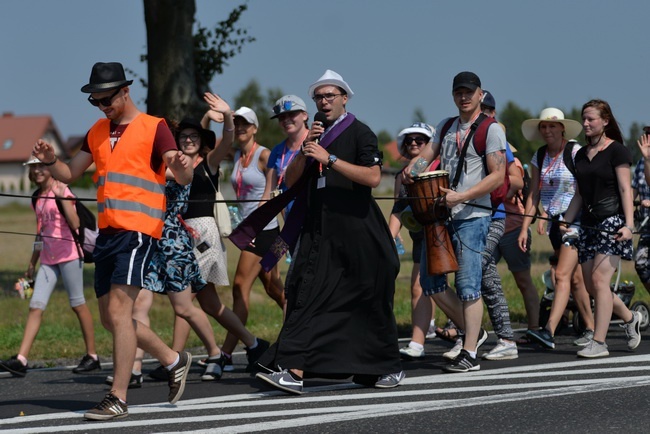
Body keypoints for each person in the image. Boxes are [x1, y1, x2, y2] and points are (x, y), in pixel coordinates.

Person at [30, 62, 194, 421]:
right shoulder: (98, 131)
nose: (102, 106)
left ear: (125, 91)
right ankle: (172, 359)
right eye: (95, 102)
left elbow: (181, 173)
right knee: (110, 317)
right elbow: (71, 173)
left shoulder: (155, 128)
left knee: (122, 312)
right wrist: (52, 160)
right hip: (107, 233)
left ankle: (118, 396)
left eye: (106, 100)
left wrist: (182, 164)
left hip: (138, 231)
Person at [253, 69, 403, 393]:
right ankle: (294, 370)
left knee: (366, 301)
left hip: (357, 230)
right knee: (302, 292)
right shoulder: (315, 136)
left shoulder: (361, 133)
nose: (324, 102)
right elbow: (291, 180)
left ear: (344, 98)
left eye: (329, 96)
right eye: (319, 97)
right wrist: (307, 148)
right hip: (318, 229)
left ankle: (382, 366)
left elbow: (374, 178)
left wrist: (330, 158)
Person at [147, 105, 270, 377]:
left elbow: (227, 138)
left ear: (202, 142)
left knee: (185, 298)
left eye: (194, 137)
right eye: (184, 137)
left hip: (203, 235)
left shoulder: (209, 163)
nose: (188, 140)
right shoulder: (174, 167)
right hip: (181, 237)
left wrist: (226, 115)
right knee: (210, 304)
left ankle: (188, 359)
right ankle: (253, 343)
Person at [405, 71, 507, 373]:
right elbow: (429, 153)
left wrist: (462, 196)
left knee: (468, 285)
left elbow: (497, 175)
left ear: (480, 94)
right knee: (431, 283)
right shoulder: (446, 126)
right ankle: (472, 331)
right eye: (458, 92)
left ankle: (471, 352)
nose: (463, 97)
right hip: (442, 214)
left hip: (473, 216)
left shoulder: (492, 129)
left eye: (469, 92)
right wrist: (413, 168)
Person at [0, 159, 100, 377]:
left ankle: (92, 356)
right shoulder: (36, 197)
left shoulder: (62, 189)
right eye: (33, 167)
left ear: (51, 168)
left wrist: (63, 195)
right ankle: (21, 359)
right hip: (48, 258)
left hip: (70, 255)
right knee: (36, 305)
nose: (37, 170)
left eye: (42, 166)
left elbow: (75, 224)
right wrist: (31, 262)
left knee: (78, 304)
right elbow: (40, 233)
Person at [562, 99, 641, 358]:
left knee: (599, 280)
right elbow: (579, 195)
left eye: (591, 119)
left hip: (613, 223)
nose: (585, 123)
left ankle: (599, 341)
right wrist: (567, 220)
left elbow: (624, 190)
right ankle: (631, 318)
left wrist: (629, 225)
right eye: (584, 118)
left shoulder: (617, 151)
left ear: (605, 121)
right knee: (593, 287)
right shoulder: (581, 155)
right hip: (588, 224)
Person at [518, 108, 595, 349]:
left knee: (561, 275)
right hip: (554, 223)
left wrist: (571, 218)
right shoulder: (539, 156)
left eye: (552, 126)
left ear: (562, 128)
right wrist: (525, 227)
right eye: (543, 127)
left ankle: (548, 331)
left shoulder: (575, 152)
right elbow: (534, 193)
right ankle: (599, 326)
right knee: (576, 280)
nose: (547, 130)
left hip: (576, 222)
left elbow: (586, 187)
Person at [219, 106, 285, 364]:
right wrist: (219, 118)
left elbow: (270, 195)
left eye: (245, 123)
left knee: (239, 286)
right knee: (272, 287)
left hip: (266, 231)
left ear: (255, 128)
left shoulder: (264, 155)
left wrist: (253, 228)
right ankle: (304, 326)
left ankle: (226, 352)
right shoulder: (236, 154)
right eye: (236, 123)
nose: (240, 128)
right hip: (251, 231)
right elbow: (207, 146)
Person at [388, 122, 439, 360]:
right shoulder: (401, 177)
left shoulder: (438, 168)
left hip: (440, 237)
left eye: (420, 140)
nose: (414, 144)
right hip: (420, 238)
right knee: (418, 288)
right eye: (409, 141)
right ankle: (417, 343)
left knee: (443, 289)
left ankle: (464, 334)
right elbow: (398, 208)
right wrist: (389, 237)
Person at [264, 94, 310, 219]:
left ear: (305, 115)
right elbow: (268, 192)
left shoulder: (318, 142)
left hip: (313, 219)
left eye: (291, 114)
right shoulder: (277, 151)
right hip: (289, 221)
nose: (286, 120)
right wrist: (253, 227)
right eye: (281, 117)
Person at [633, 126, 650, 294]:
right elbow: (633, 191)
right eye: (647, 134)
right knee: (641, 263)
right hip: (646, 225)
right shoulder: (641, 162)